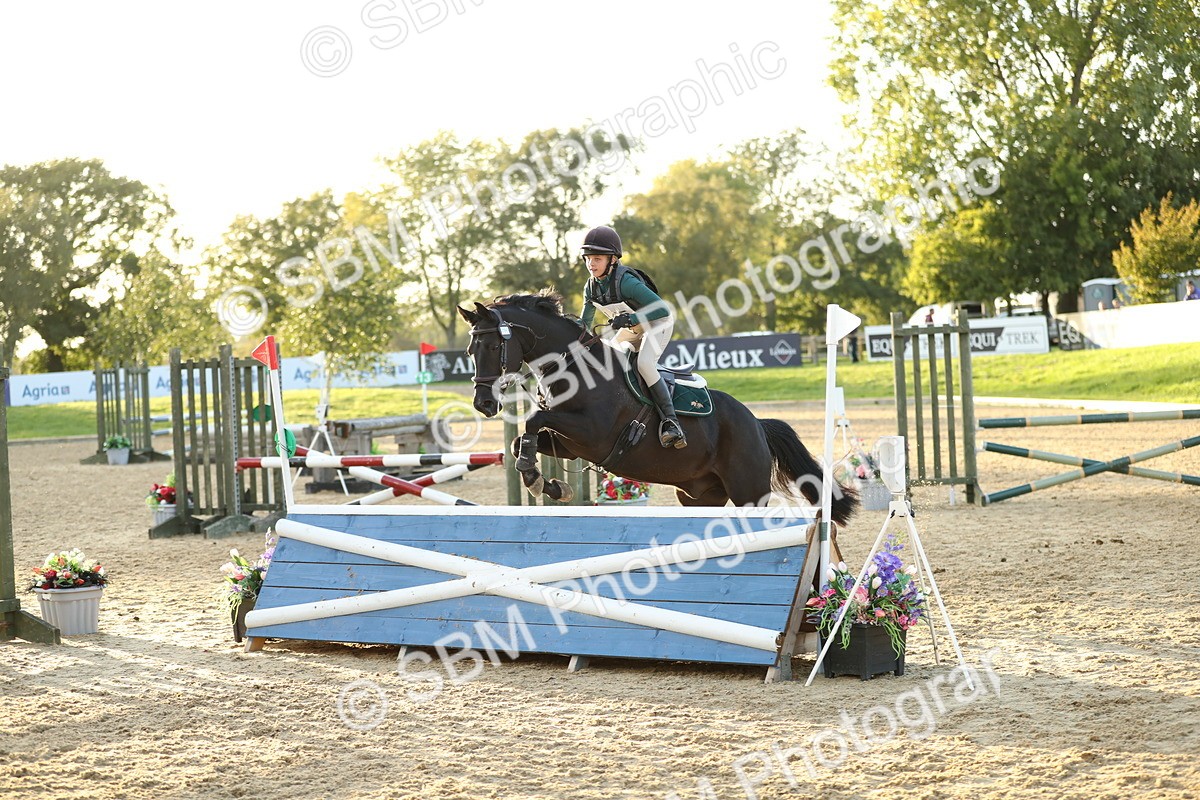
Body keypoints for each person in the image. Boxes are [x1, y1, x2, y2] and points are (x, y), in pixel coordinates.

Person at [579, 225, 686, 449]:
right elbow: (584, 324)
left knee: (645, 364)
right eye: (588, 258)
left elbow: (662, 308)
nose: (591, 264)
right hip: (635, 327)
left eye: (597, 259)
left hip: (658, 323)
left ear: (612, 260)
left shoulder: (626, 282)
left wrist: (630, 319)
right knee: (608, 360)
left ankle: (671, 423)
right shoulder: (590, 288)